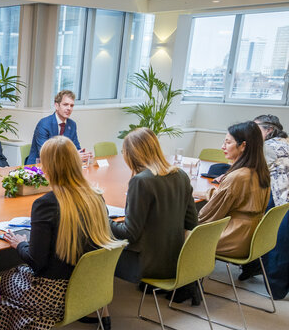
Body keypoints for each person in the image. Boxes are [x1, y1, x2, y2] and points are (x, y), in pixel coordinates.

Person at [0, 136, 124, 330]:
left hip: (53, 293)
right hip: (89, 287)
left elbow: (37, 264)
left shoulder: (47, 203)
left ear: (49, 166)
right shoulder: (95, 196)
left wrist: (19, 244)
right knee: (17, 272)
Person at [111, 128, 198, 306]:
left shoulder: (141, 181)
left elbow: (129, 233)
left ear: (133, 154)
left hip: (146, 263)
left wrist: (102, 219)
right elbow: (192, 222)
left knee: (91, 244)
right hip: (177, 260)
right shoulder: (180, 174)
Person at [198, 121, 270, 263]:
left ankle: (186, 282)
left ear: (243, 145)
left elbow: (208, 214)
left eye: (228, 142)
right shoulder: (260, 171)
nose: (222, 147)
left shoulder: (237, 177)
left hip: (234, 238)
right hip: (250, 237)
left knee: (177, 235)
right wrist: (209, 194)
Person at [239, 115, 289, 285]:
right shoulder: (285, 142)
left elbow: (250, 171)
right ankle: (253, 263)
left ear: (269, 130)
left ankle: (250, 261)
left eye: (255, 128)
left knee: (245, 215)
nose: (250, 133)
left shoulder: (267, 146)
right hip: (283, 200)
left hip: (277, 199)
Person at [26, 90, 93, 165]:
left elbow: (76, 148)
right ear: (56, 106)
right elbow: (46, 154)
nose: (69, 108)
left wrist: (84, 156)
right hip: (39, 166)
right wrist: (73, 157)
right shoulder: (44, 124)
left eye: (71, 105)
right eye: (65, 104)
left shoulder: (72, 124)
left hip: (62, 166)